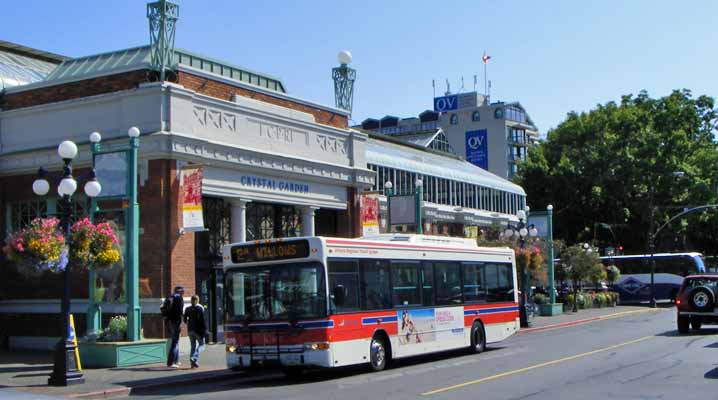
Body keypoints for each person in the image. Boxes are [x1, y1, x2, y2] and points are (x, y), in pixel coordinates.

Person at [161, 286, 184, 369]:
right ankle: (170, 362)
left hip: (169, 321)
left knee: (175, 341)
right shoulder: (179, 299)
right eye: (182, 291)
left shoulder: (169, 297)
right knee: (175, 342)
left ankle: (176, 360)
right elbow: (180, 312)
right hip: (176, 322)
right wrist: (181, 321)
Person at [183, 295, 207, 368]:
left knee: (192, 346)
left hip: (190, 330)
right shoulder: (199, 308)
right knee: (202, 345)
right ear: (197, 301)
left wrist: (189, 323)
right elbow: (202, 321)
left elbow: (184, 320)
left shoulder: (187, 309)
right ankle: (194, 357)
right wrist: (204, 331)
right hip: (198, 330)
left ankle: (193, 363)